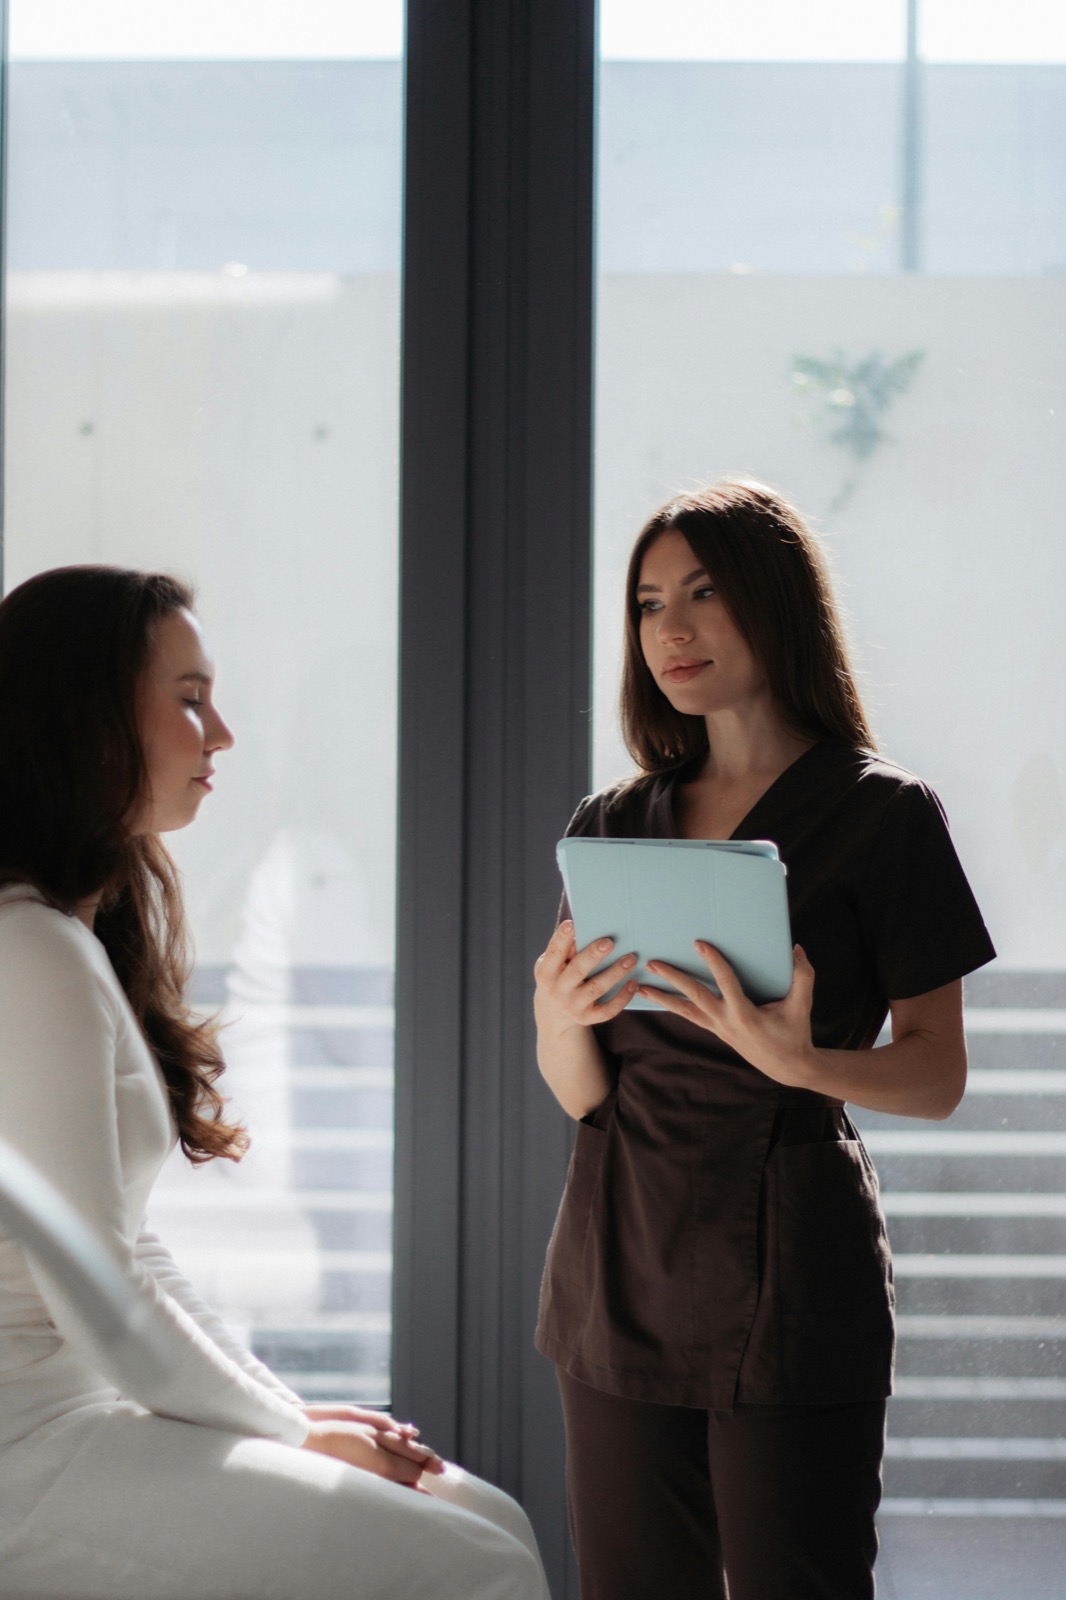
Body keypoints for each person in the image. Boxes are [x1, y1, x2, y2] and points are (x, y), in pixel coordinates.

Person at [0, 565, 549, 1600]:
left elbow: (133, 1249)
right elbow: (102, 1295)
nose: (224, 734)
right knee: (471, 1563)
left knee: (487, 1516)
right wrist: (293, 1431)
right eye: (191, 697)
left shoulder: (68, 933)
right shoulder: (26, 946)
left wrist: (291, 1411)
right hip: (25, 1449)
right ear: (88, 719)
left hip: (84, 1409)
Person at [533, 480, 995, 1600]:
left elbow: (936, 1071)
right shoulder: (613, 822)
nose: (671, 630)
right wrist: (556, 1017)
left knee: (802, 1579)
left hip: (791, 1266)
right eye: (648, 603)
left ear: (778, 605)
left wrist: (798, 1060)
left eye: (703, 593)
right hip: (618, 1256)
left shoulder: (884, 815)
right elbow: (587, 1095)